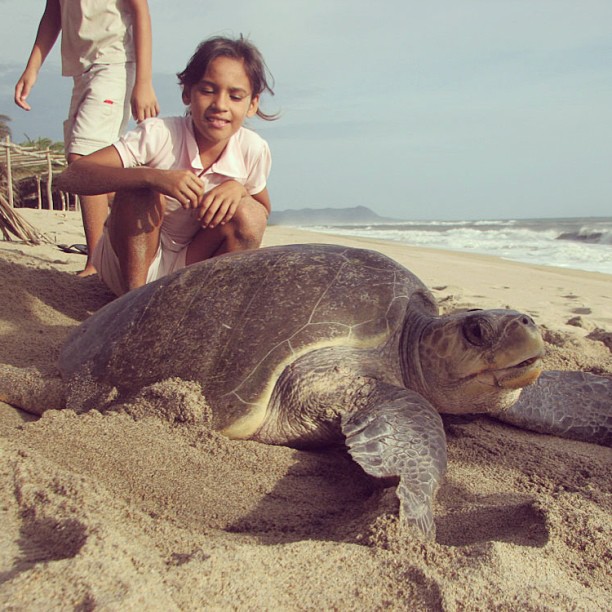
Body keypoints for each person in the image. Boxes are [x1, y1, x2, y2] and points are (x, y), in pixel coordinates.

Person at [56, 35, 277, 296]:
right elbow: (71, 176)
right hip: (129, 265)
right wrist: (152, 177)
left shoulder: (252, 149)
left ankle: (199, 300)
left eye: (235, 96)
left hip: (189, 270)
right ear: (187, 92)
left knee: (249, 215)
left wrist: (238, 190)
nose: (220, 105)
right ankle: (134, 304)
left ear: (252, 104)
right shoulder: (159, 134)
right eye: (207, 90)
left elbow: (261, 212)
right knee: (140, 188)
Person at [15, 0, 159, 277]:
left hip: (115, 62)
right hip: (82, 71)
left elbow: (141, 10)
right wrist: (32, 68)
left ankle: (95, 263)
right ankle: (152, 208)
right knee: (92, 174)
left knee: (83, 160)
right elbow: (53, 13)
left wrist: (144, 81)